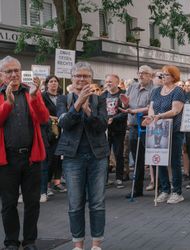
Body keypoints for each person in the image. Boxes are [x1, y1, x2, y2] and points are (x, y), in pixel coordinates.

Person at [55, 61, 109, 250]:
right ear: (72, 78)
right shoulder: (63, 99)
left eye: (85, 76)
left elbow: (102, 125)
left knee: (97, 202)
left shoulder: (99, 99)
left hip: (98, 156)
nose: (81, 79)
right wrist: (78, 104)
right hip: (73, 156)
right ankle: (78, 245)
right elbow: (64, 124)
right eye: (78, 75)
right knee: (75, 203)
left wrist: (87, 110)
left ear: (91, 79)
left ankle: (96, 244)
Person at [0, 56, 49, 250]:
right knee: (9, 204)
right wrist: (8, 103)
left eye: (16, 70)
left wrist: (36, 98)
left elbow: (43, 118)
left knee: (32, 203)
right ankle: (11, 241)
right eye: (9, 71)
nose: (13, 74)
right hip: (7, 160)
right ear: (1, 74)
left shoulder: (31, 92)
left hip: (30, 157)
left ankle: (29, 241)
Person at [142, 65, 185, 204]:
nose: (162, 77)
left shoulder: (178, 91)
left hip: (174, 130)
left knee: (174, 161)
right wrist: (151, 117)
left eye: (166, 75)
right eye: (161, 74)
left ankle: (177, 191)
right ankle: (165, 190)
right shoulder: (156, 91)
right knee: (159, 159)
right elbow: (151, 108)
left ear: (173, 77)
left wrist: (159, 116)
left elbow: (175, 111)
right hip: (158, 129)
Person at [120, 65, 154, 198]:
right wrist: (125, 103)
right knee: (137, 158)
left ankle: (161, 187)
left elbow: (150, 107)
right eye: (139, 73)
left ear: (150, 76)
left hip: (149, 127)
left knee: (153, 157)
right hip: (134, 126)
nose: (141, 75)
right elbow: (126, 105)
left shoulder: (154, 89)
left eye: (144, 73)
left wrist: (134, 110)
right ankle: (137, 189)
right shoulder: (132, 87)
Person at [41, 75, 65, 203]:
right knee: (47, 161)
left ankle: (54, 183)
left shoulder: (61, 97)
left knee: (57, 160)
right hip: (47, 132)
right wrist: (56, 118)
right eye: (51, 81)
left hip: (61, 132)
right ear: (46, 84)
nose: (54, 83)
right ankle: (44, 188)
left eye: (56, 81)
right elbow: (42, 112)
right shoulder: (42, 96)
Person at [101, 74, 127, 189]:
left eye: (111, 81)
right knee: (105, 154)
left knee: (118, 153)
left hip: (118, 129)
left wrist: (113, 118)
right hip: (105, 130)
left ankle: (119, 178)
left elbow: (125, 112)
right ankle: (104, 178)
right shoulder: (102, 96)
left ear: (117, 82)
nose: (108, 83)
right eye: (107, 81)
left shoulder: (123, 95)